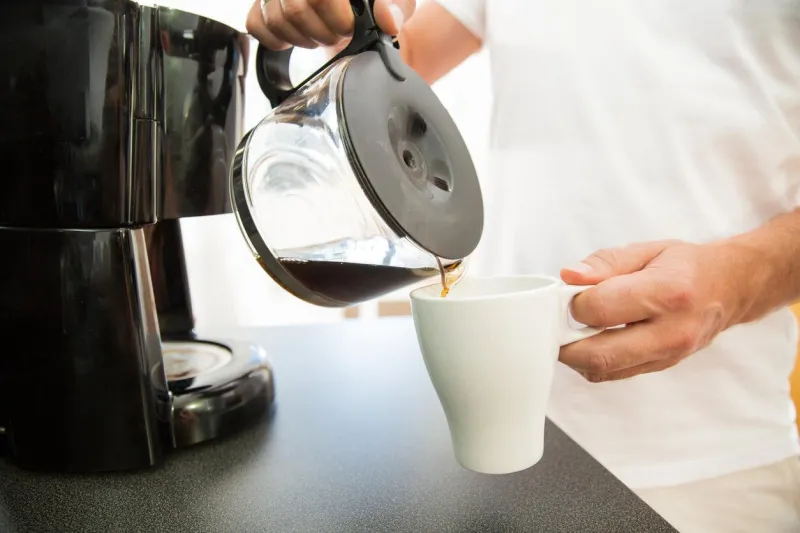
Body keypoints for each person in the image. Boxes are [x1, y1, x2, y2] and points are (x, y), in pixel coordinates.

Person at [246, 1, 800, 531]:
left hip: (719, 466)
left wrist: (738, 280)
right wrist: (338, 20)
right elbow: (392, 66)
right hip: (500, 469)